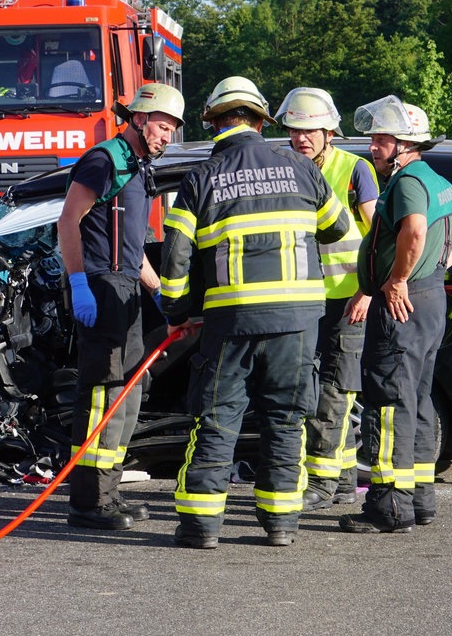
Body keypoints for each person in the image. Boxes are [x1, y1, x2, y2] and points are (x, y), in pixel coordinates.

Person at [160, 76, 351, 548]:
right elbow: (337, 227)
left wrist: (176, 309)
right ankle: (281, 525)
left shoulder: (201, 178)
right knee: (286, 420)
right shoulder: (302, 168)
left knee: (219, 418)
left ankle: (202, 526)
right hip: (298, 322)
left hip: (232, 320)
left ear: (215, 121)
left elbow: (176, 256)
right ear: (262, 120)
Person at [340, 95, 452, 535]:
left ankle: (389, 507)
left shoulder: (410, 179)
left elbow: (413, 229)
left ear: (405, 145)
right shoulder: (434, 178)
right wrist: (432, 272)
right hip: (428, 298)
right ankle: (419, 499)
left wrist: (397, 280)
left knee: (389, 404)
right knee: (414, 401)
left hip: (404, 304)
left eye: (381, 140)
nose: (372, 147)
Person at [59, 82, 185, 530]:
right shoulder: (103, 160)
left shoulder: (137, 168)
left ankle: (107, 495)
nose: (166, 137)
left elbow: (133, 252)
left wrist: (162, 294)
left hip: (126, 287)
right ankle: (87, 502)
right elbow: (68, 221)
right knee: (102, 395)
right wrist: (79, 283)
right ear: (138, 119)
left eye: (172, 130)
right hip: (100, 287)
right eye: (162, 126)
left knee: (128, 393)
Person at [274, 87, 379, 511]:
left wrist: (367, 291)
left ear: (330, 131)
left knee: (334, 393)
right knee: (310, 390)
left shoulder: (355, 170)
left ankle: (319, 481)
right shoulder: (284, 169)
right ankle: (342, 480)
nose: (302, 138)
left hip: (346, 301)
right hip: (301, 301)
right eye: (295, 130)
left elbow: (379, 238)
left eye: (311, 130)